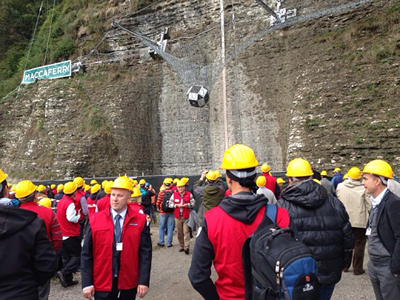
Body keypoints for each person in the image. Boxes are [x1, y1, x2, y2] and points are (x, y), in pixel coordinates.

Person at [189, 144, 290, 299]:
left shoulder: (211, 220)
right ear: (255, 177)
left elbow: (197, 276)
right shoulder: (280, 215)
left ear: (228, 180)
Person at [277, 158, 354, 300]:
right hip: (328, 271)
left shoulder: (282, 206)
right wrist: (342, 264)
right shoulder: (334, 202)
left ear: (289, 179)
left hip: (297, 274)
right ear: (311, 177)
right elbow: (348, 237)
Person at [81, 176, 152, 300]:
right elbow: (86, 253)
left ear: (129, 196)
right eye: (113, 195)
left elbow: (145, 253)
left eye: (120, 196)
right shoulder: (95, 220)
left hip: (128, 281)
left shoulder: (140, 220)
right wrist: (87, 283)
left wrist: (143, 281)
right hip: (102, 281)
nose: (115, 199)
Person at [0, 202, 58, 299]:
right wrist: (29, 283)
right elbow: (47, 265)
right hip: (24, 292)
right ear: (5, 190)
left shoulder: (33, 222)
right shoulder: (32, 223)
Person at [16, 180, 62, 300]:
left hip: (20, 263)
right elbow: (57, 238)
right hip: (43, 261)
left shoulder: (14, 215)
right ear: (35, 195)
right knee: (42, 294)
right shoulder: (48, 213)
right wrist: (53, 254)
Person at [361, 159, 400, 300]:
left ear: (377, 181)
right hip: (374, 264)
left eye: (365, 179)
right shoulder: (376, 201)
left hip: (387, 266)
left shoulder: (393, 203)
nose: (362, 182)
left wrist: (395, 268)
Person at [336, 167, 371, 275]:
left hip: (344, 219)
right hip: (359, 220)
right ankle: (357, 268)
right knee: (359, 245)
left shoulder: (340, 186)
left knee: (345, 243)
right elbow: (369, 204)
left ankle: (345, 266)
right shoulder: (363, 188)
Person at [56, 181, 81, 288]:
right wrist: (78, 216)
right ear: (74, 191)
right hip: (70, 232)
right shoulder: (69, 203)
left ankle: (67, 279)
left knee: (67, 257)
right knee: (77, 256)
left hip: (63, 232)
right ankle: (65, 272)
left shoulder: (61, 201)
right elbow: (70, 218)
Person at [169, 180, 195, 254]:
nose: (180, 189)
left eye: (182, 187)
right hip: (177, 217)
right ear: (177, 188)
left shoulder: (189, 194)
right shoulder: (174, 195)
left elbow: (193, 203)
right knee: (179, 233)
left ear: (184, 187)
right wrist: (176, 205)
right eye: (179, 187)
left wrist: (187, 205)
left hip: (186, 216)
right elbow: (170, 204)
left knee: (186, 232)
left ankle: (187, 247)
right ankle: (182, 246)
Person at [156, 178, 175, 247]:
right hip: (171, 211)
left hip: (163, 212)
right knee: (170, 227)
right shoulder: (173, 192)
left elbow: (158, 201)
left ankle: (161, 242)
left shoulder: (161, 192)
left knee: (161, 227)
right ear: (171, 184)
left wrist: (158, 207)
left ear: (164, 184)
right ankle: (169, 243)